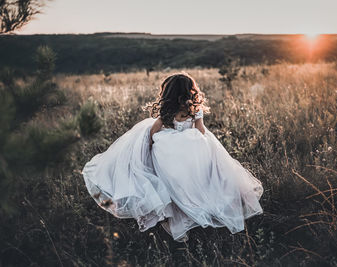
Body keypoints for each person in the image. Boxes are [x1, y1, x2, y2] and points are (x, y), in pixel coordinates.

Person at [82, 72, 263, 242]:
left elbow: (153, 131)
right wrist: (206, 144)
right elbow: (200, 129)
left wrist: (150, 147)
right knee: (195, 179)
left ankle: (176, 215)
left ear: (168, 92)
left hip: (169, 149)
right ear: (190, 91)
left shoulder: (168, 110)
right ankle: (197, 209)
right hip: (190, 148)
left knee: (172, 181)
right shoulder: (195, 109)